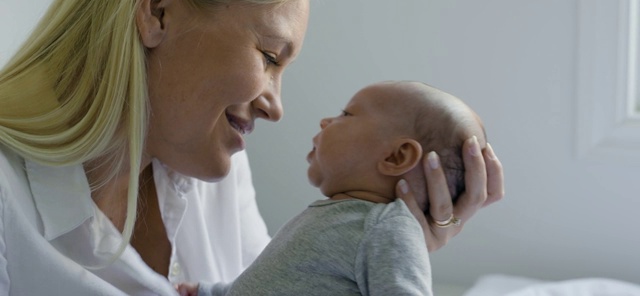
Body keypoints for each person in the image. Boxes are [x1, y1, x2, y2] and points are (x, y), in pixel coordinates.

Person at [0, 0, 504, 295]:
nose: (276, 107)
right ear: (157, 8)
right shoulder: (8, 205)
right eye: (268, 57)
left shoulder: (215, 164)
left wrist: (394, 250)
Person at [175, 80, 487, 296]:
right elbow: (270, 284)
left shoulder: (388, 229)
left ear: (396, 156)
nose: (326, 121)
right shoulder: (333, 217)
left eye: (346, 114)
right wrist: (209, 291)